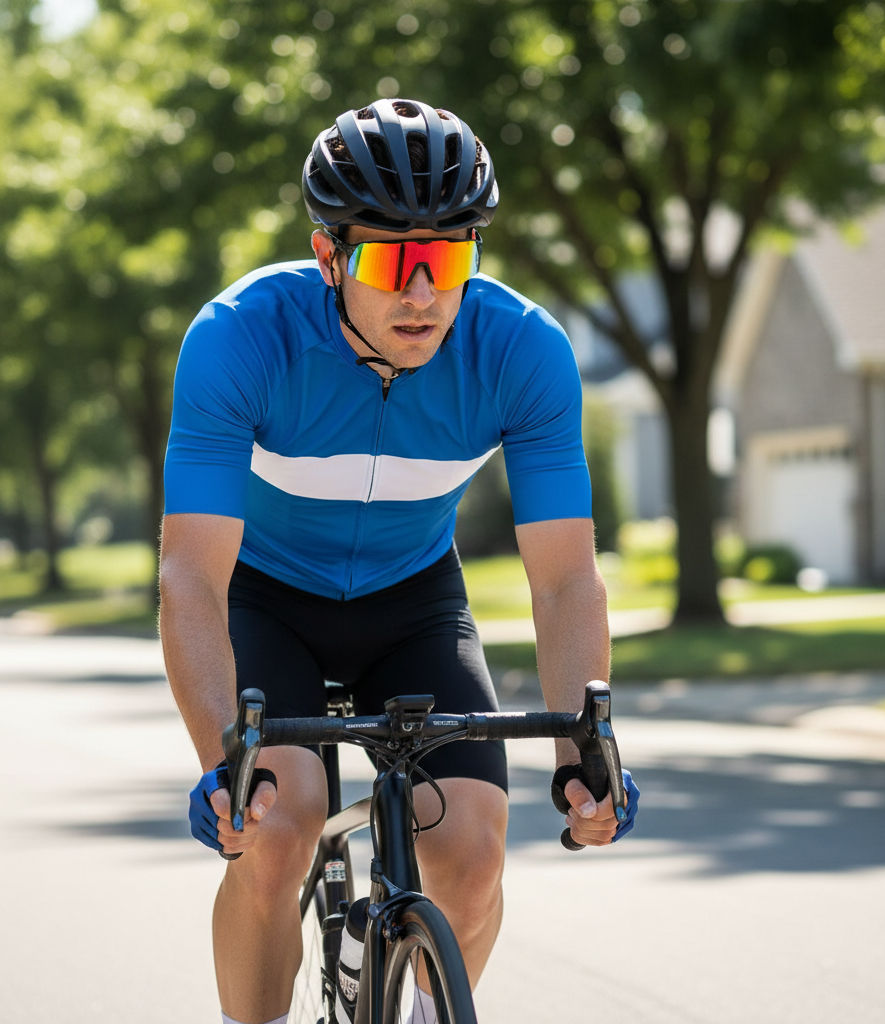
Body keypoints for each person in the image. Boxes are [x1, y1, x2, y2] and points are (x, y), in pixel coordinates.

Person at [160, 98, 638, 1024]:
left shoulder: (523, 351)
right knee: (275, 824)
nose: (423, 295)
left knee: (474, 848)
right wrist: (226, 757)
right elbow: (191, 577)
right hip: (267, 600)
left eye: (449, 259)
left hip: (414, 601)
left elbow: (565, 578)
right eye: (392, 261)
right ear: (329, 253)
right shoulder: (238, 338)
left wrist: (591, 746)